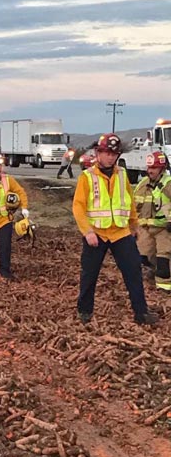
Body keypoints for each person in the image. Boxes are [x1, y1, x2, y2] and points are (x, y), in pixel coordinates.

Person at [72, 133, 158, 325]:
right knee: (89, 274)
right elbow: (78, 206)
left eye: (114, 154)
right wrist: (87, 232)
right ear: (98, 153)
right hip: (97, 233)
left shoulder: (122, 175)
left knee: (133, 272)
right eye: (107, 153)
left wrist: (133, 225)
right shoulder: (87, 177)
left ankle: (141, 313)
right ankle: (84, 312)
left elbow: (129, 201)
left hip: (121, 232)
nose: (111, 157)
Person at [134, 151, 171, 293]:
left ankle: (164, 290)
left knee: (164, 260)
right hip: (145, 229)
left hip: (164, 229)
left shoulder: (168, 184)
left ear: (162, 169)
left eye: (154, 168)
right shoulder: (143, 184)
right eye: (149, 167)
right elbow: (133, 205)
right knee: (142, 259)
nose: (150, 171)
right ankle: (149, 286)